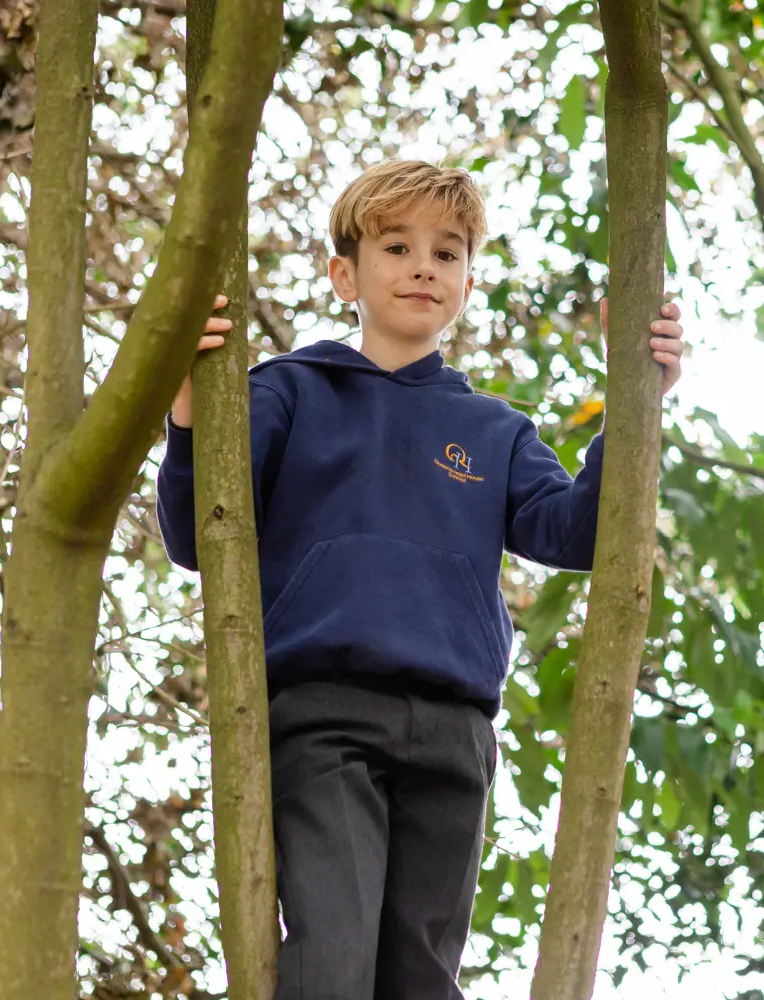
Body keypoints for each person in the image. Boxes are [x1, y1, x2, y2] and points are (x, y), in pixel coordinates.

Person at [156, 160, 684, 1000]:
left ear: (468, 281)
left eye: (447, 253)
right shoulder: (288, 391)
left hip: (455, 731)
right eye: (396, 247)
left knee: (422, 980)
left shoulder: (495, 429)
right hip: (321, 714)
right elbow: (196, 535)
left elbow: (580, 532)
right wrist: (188, 409)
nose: (422, 267)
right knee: (333, 960)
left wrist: (635, 398)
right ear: (344, 275)